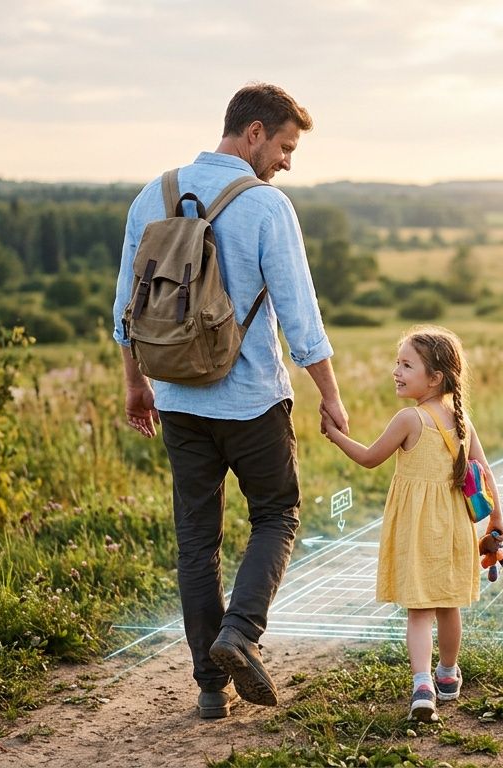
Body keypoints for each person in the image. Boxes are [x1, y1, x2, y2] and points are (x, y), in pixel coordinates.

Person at [112, 83, 349, 719]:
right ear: (253, 134)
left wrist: (137, 385)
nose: (287, 161)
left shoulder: (153, 195)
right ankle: (239, 634)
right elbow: (300, 316)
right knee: (277, 512)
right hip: (251, 403)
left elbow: (125, 309)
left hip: (179, 401)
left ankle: (209, 689)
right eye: (284, 146)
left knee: (197, 540)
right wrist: (329, 394)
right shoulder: (267, 207)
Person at [322, 325, 503, 722]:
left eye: (406, 365)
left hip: (419, 528)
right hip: (456, 526)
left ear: (435, 377)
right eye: (397, 363)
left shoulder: (409, 419)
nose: (397, 371)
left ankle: (422, 683)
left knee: (419, 610)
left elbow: (371, 458)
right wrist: (497, 518)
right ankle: (448, 675)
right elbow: (485, 473)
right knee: (448, 605)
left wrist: (336, 436)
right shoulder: (462, 420)